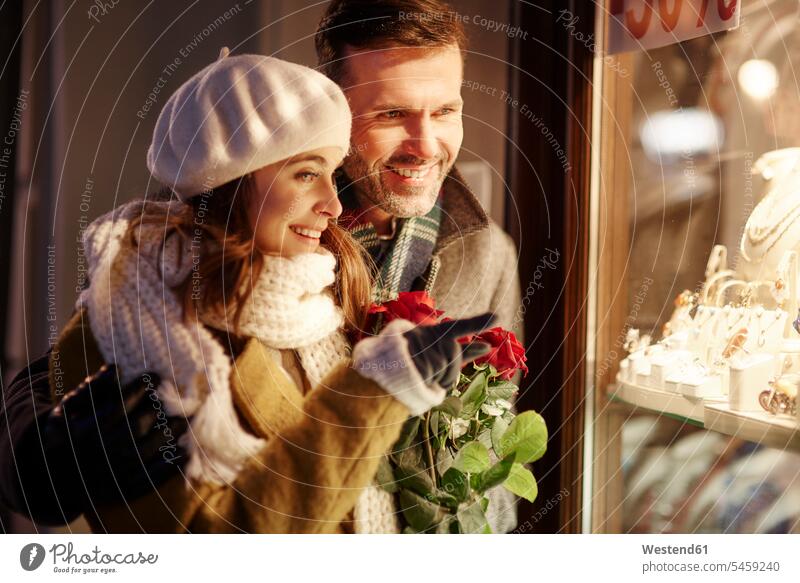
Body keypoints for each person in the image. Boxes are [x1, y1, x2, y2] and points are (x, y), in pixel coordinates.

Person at [1, 0, 522, 532]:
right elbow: (84, 355)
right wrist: (34, 455)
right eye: (391, 114)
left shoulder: (486, 254)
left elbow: (496, 462)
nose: (427, 145)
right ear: (339, 105)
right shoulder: (216, 215)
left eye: (445, 111)